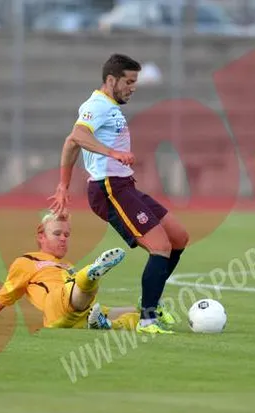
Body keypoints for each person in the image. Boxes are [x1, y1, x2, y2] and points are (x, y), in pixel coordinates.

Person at [49, 53, 189, 335]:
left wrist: (63, 185)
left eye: (135, 81)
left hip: (125, 185)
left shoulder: (110, 106)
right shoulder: (96, 105)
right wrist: (113, 152)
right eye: (128, 81)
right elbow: (78, 135)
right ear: (111, 80)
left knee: (178, 237)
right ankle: (148, 320)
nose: (133, 87)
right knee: (160, 247)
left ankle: (150, 302)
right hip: (108, 188)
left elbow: (70, 143)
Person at [0, 212, 139, 331]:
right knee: (81, 285)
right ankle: (92, 273)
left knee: (136, 316)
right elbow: (1, 298)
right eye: (57, 233)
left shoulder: (67, 264)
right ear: (41, 236)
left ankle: (142, 313)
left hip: (78, 314)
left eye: (67, 234)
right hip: (54, 306)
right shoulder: (27, 261)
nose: (64, 238)